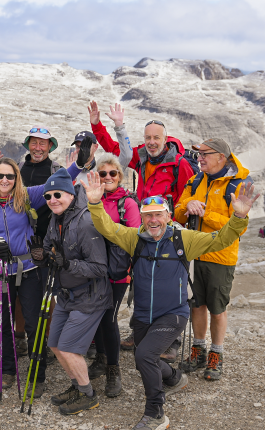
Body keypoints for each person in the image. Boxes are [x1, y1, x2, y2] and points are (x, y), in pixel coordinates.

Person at [85, 172, 260, 430]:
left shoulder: (183, 239)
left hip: (173, 313)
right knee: (143, 359)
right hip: (143, 314)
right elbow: (107, 228)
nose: (153, 220)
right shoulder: (134, 238)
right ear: (143, 219)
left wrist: (239, 217)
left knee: (145, 355)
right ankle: (175, 378)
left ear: (168, 216)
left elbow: (221, 239)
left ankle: (156, 413)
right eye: (148, 215)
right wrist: (95, 203)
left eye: (158, 214)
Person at [0, 156, 84, 398]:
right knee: (2, 324)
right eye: (0, 175)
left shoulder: (26, 195)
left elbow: (56, 183)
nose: (4, 180)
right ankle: (8, 370)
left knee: (34, 323)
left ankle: (37, 375)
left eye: (10, 176)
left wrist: (79, 164)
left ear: (16, 178)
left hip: (29, 269)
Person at [87, 102, 195, 355]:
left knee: (167, 284)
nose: (151, 142)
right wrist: (99, 124)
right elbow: (115, 152)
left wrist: (174, 220)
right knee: (143, 281)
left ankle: (170, 340)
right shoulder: (143, 157)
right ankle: (141, 331)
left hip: (167, 230)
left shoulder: (179, 164)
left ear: (165, 139)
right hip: (145, 228)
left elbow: (187, 195)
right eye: (148, 137)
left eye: (156, 137)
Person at [28, 169, 109, 416]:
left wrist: (66, 264)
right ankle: (77, 386)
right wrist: (42, 257)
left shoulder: (85, 222)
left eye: (58, 194)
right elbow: (53, 250)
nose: (52, 200)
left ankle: (87, 395)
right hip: (66, 293)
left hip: (90, 295)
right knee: (54, 344)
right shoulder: (57, 218)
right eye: (49, 196)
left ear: (71, 194)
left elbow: (100, 267)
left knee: (68, 349)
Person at [174, 138, 252, 381]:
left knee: (217, 309)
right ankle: (198, 349)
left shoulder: (237, 185)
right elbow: (177, 211)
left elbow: (239, 226)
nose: (200, 158)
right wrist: (189, 204)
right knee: (196, 304)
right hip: (194, 253)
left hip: (220, 256)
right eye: (199, 154)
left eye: (205, 154)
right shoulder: (194, 180)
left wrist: (206, 212)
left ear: (222, 157)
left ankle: (216, 354)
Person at [84, 155, 140, 397]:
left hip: (117, 272)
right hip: (93, 269)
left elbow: (132, 236)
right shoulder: (90, 199)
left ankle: (113, 368)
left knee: (108, 317)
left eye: (112, 173)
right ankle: (100, 357)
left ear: (120, 176)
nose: (108, 177)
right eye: (103, 173)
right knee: (95, 315)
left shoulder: (127, 203)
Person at [15, 126, 62, 357]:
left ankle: (49, 340)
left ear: (50, 146)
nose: (38, 148)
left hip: (46, 240)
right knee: (20, 293)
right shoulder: (17, 169)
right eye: (34, 142)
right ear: (28, 145)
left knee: (46, 293)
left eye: (43, 143)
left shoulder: (56, 171)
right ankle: (21, 337)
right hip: (19, 241)